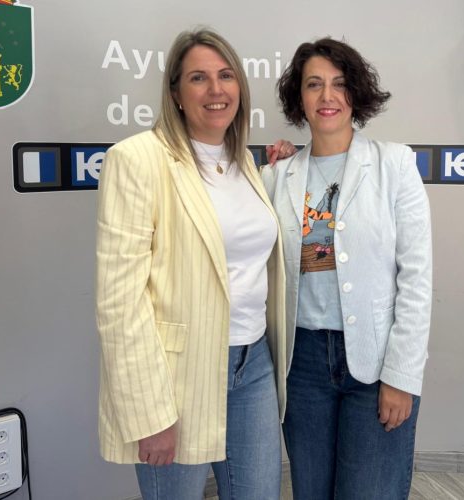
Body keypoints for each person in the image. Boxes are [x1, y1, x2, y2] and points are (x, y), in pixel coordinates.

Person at [95, 28, 295, 500]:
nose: (215, 90)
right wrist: (149, 414)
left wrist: (279, 167)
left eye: (226, 76)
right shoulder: (137, 160)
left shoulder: (244, 162)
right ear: (176, 94)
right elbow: (119, 303)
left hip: (254, 366)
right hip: (175, 379)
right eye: (198, 78)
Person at [261, 38, 433, 499]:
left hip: (374, 363)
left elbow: (416, 279)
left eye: (339, 84)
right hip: (302, 365)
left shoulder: (395, 165)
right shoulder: (276, 176)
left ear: (355, 92)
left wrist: (401, 376)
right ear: (299, 97)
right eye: (313, 84)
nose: (327, 96)